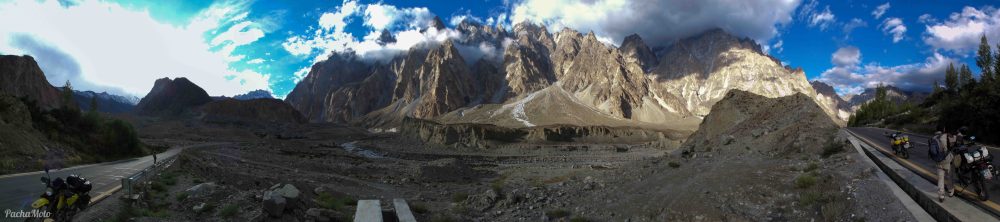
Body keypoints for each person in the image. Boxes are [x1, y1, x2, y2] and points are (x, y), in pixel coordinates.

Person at [936, 127, 955, 202]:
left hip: (938, 161)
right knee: (949, 176)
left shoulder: (935, 137)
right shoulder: (950, 137)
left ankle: (941, 195)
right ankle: (950, 191)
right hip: (947, 161)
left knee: (940, 179)